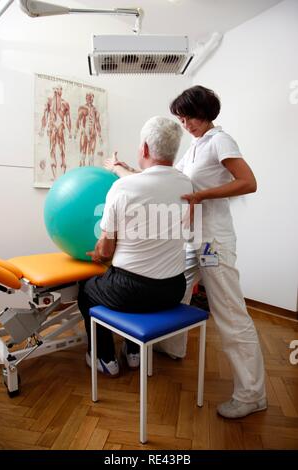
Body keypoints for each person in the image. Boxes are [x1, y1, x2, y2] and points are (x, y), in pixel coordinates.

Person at [107, 85, 267, 419]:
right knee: (174, 292)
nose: (185, 123)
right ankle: (173, 349)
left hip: (213, 242)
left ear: (205, 112)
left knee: (230, 314)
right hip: (193, 241)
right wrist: (126, 169)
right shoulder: (195, 147)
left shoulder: (220, 141)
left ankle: (253, 394)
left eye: (189, 116)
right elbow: (166, 180)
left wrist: (201, 197)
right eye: (181, 118)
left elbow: (248, 182)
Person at [78, 116, 193, 377]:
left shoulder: (122, 188)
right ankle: (133, 352)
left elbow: (106, 251)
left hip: (130, 292)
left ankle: (104, 357)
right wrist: (118, 167)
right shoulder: (185, 183)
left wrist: (99, 253)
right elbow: (151, 181)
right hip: (174, 288)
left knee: (87, 290)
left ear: (144, 149)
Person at [39, 86, 72, 179]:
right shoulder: (49, 101)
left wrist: (70, 132)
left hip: (61, 127)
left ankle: (62, 177)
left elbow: (68, 119)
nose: (59, 90)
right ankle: (55, 177)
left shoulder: (65, 104)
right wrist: (42, 128)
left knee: (62, 151)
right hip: (52, 127)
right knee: (52, 149)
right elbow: (45, 115)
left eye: (60, 89)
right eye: (57, 89)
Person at [74, 93, 102, 167]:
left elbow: (97, 123)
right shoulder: (82, 108)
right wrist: (76, 132)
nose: (90, 99)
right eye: (88, 98)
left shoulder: (95, 110)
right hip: (84, 133)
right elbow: (78, 120)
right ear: (86, 98)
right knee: (82, 155)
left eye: (91, 98)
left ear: (93, 99)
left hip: (93, 134)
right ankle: (81, 172)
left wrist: (100, 136)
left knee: (91, 157)